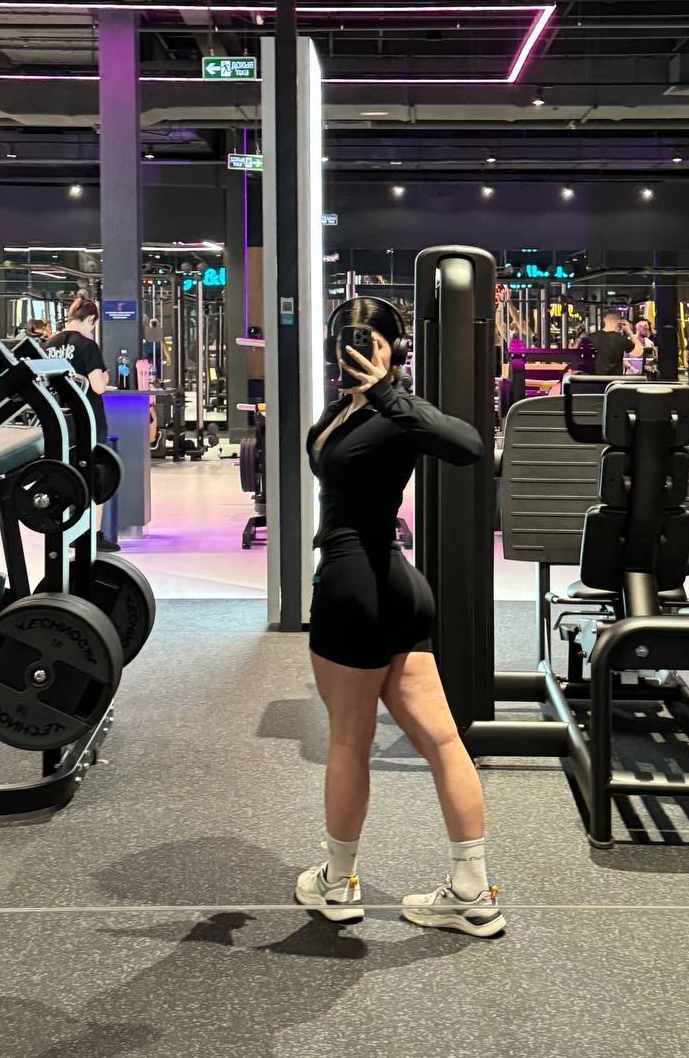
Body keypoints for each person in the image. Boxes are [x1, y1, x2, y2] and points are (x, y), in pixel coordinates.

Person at [297, 296, 503, 937]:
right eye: (344, 338)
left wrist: (387, 389)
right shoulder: (344, 409)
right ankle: (471, 893)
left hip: (359, 587)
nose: (352, 349)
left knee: (350, 740)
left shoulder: (396, 412)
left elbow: (469, 445)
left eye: (367, 339)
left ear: (395, 349)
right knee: (440, 740)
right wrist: (370, 392)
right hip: (386, 584)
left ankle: (337, 883)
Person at [44, 296, 118, 554]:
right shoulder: (87, 345)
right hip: (88, 420)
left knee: (64, 475)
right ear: (90, 319)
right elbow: (97, 386)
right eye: (92, 324)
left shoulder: (49, 345)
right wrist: (105, 376)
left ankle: (66, 531)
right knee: (95, 475)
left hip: (59, 422)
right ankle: (93, 536)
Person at [581, 309, 643, 376]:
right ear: (620, 322)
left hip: (594, 379)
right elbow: (639, 351)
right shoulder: (621, 339)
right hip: (614, 381)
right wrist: (629, 332)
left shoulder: (591, 337)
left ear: (604, 320)